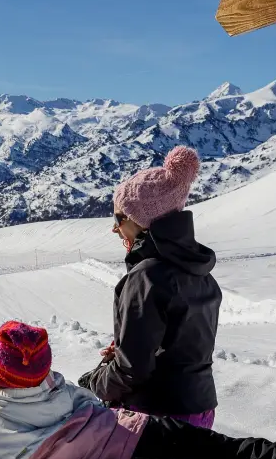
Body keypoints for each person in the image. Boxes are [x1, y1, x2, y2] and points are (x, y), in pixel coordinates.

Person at [0, 321, 276, 459]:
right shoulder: (58, 390)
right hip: (140, 426)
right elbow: (90, 404)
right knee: (231, 450)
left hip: (134, 456)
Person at [78, 146, 221, 428]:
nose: (115, 229)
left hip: (157, 416)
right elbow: (179, 346)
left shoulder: (146, 277)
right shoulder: (199, 270)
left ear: (139, 220)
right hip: (200, 410)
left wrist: (94, 382)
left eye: (119, 219)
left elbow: (132, 371)